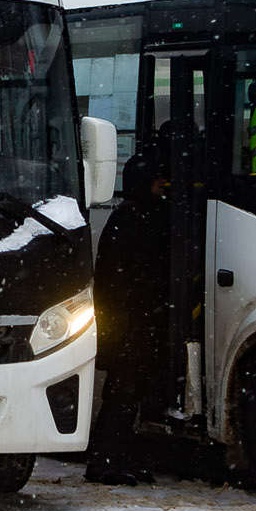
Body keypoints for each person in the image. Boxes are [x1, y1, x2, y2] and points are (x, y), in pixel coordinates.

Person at [85, 153, 170, 486]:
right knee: (122, 395)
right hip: (130, 326)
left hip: (134, 324)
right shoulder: (133, 218)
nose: (162, 184)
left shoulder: (138, 215)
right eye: (157, 179)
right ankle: (104, 461)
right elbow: (121, 279)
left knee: (129, 396)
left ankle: (118, 458)